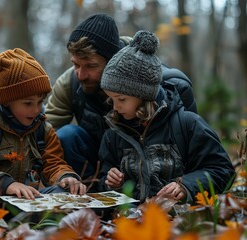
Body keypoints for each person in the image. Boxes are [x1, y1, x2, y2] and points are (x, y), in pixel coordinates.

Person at [45, 13, 197, 186]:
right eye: (75, 64)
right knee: (67, 135)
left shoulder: (166, 84)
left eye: (91, 66)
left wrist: (186, 185)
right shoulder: (69, 83)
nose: (80, 74)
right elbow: (45, 135)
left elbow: (193, 147)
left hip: (158, 166)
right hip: (103, 168)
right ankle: (86, 194)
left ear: (112, 61)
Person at [97, 30, 235, 203]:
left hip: (182, 222)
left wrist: (186, 186)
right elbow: (102, 179)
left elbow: (222, 170)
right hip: (131, 222)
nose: (115, 108)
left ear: (145, 95)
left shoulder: (187, 124)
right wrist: (111, 183)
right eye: (112, 99)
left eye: (122, 99)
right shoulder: (114, 134)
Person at [0, 48, 86, 211]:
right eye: (28, 103)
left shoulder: (43, 129)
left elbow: (53, 163)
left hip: (22, 200)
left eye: (40, 102)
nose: (36, 110)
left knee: (65, 194)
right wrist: (6, 184)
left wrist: (65, 177)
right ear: (7, 101)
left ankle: (27, 221)